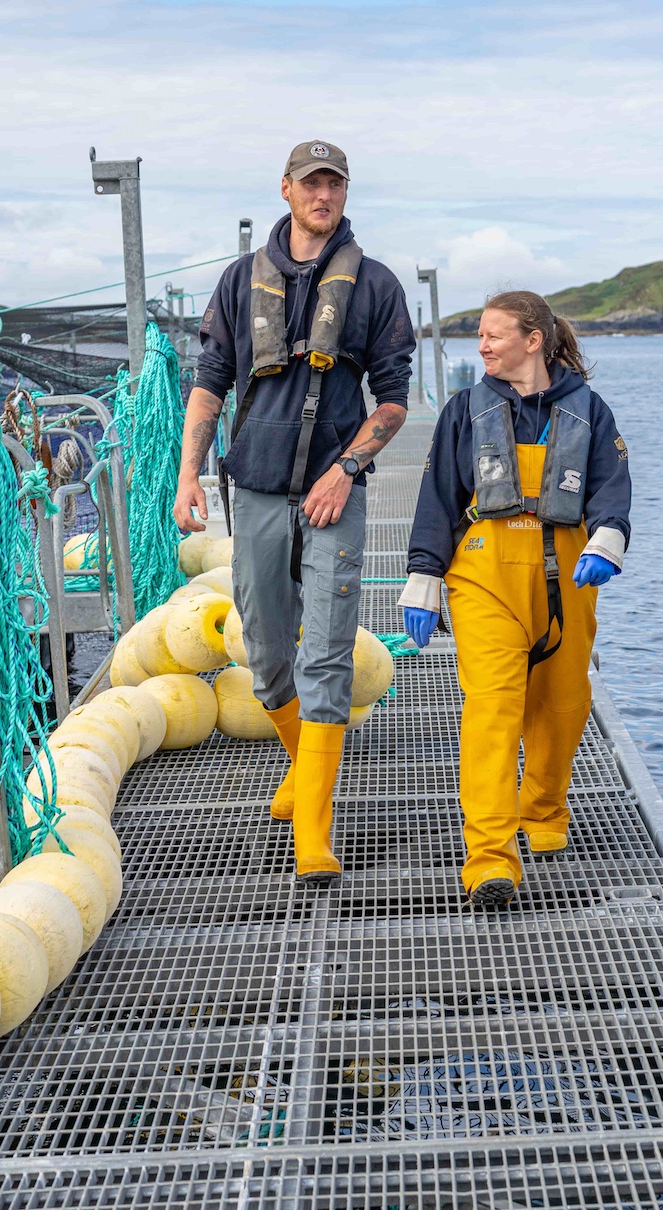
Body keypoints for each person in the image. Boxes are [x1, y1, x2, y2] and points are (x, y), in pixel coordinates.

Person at [174, 140, 415, 885]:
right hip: (254, 489)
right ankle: (301, 767)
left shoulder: (374, 285)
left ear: (345, 193)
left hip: (333, 491)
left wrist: (348, 469)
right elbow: (210, 385)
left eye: (334, 184)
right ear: (285, 189)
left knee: (329, 656)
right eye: (311, 183)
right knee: (269, 652)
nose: (323, 195)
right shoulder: (240, 281)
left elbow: (396, 401)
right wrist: (188, 476)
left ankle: (314, 829)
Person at [401, 290, 632, 910]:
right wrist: (424, 577)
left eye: (492, 335)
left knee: (562, 707)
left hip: (567, 579)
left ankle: (544, 810)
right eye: (479, 335)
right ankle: (490, 858)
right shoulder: (463, 411)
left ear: (534, 341)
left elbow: (613, 489)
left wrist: (607, 539)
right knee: (492, 711)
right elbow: (437, 499)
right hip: (484, 577)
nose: (481, 346)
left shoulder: (591, 411)